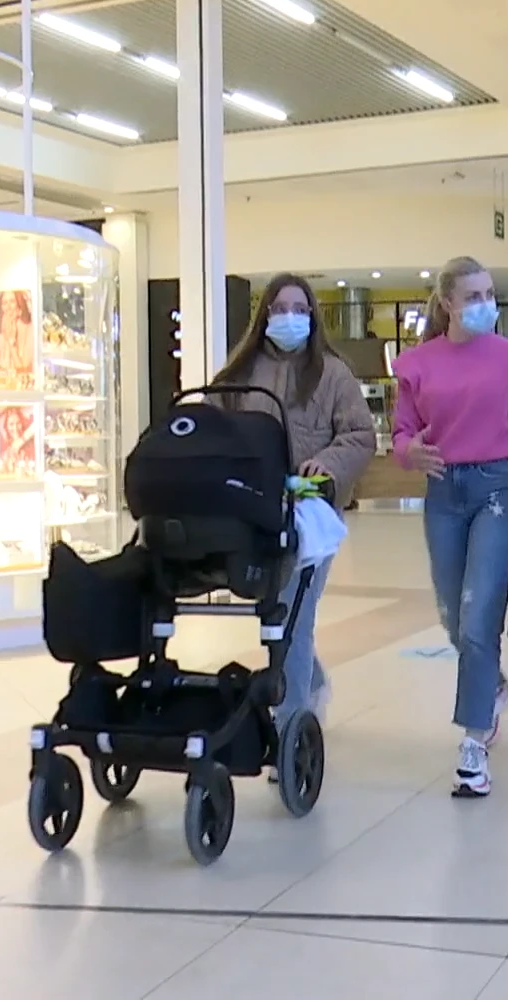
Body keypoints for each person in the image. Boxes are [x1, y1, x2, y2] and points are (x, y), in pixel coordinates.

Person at [393, 256, 508, 799]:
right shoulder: (416, 364)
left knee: (479, 607)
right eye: (472, 296)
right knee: (451, 613)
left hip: (497, 490)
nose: (485, 303)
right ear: (447, 304)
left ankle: (473, 740)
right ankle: (493, 684)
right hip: (443, 493)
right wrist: (408, 452)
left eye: (489, 293)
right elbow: (402, 431)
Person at [211, 273, 375, 738]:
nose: (290, 317)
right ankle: (313, 682)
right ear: (264, 315)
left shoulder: (331, 373)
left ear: (312, 317)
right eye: (280, 308)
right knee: (278, 616)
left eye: (299, 309)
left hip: (309, 516)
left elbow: (360, 435)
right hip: (254, 513)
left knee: (293, 617)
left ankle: (290, 728)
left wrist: (326, 465)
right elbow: (215, 422)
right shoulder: (240, 375)